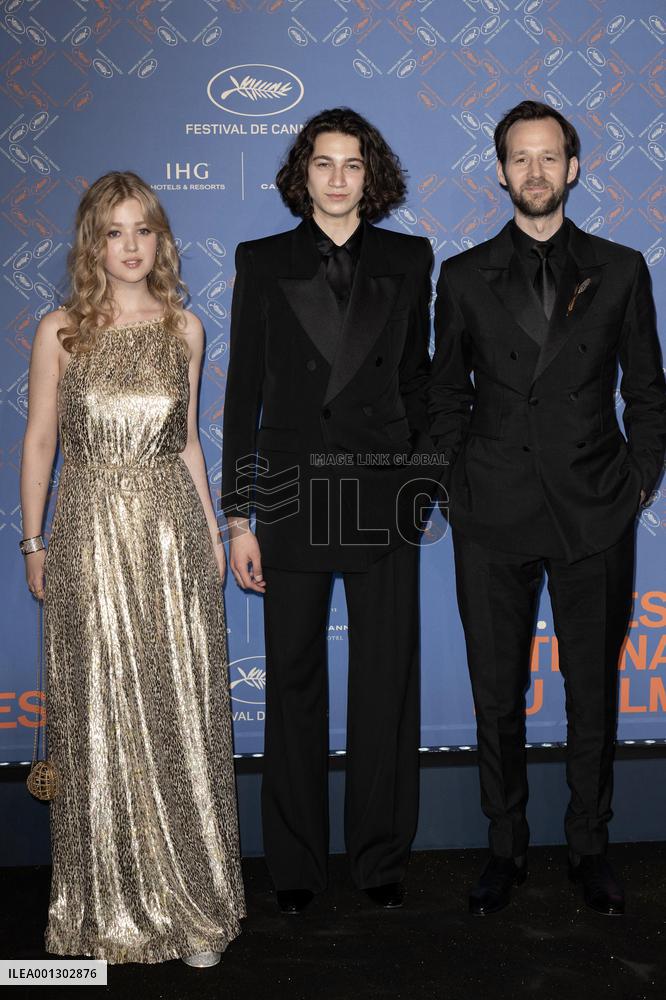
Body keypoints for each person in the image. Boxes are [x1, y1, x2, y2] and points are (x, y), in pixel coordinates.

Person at [428, 101, 666, 917]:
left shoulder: (623, 268)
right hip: (490, 512)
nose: (534, 172)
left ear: (573, 168)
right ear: (500, 172)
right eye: (519, 159)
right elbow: (443, 399)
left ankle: (590, 849)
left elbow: (647, 390)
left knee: (592, 691)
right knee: (497, 694)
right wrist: (455, 488)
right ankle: (505, 849)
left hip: (594, 509)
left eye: (549, 157)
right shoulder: (460, 277)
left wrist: (637, 481)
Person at [20, 171, 245, 964]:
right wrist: (33, 541)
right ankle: (101, 910)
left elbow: (188, 441)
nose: (129, 246)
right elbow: (41, 441)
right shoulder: (60, 331)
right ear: (93, 242)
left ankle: (192, 908)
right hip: (84, 537)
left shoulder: (186, 328)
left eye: (143, 230)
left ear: (161, 240)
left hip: (169, 537)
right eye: (114, 231)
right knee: (96, 716)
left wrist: (213, 534)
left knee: (176, 711)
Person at [222, 108, 435, 914]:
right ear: (301, 174)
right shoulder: (264, 260)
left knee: (386, 687)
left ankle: (381, 859)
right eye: (323, 164)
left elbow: (418, 384)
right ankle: (298, 866)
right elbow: (243, 394)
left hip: (383, 497)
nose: (338, 178)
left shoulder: (411, 258)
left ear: (370, 176)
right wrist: (239, 517)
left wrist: (419, 490)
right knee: (295, 688)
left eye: (352, 164)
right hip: (289, 499)